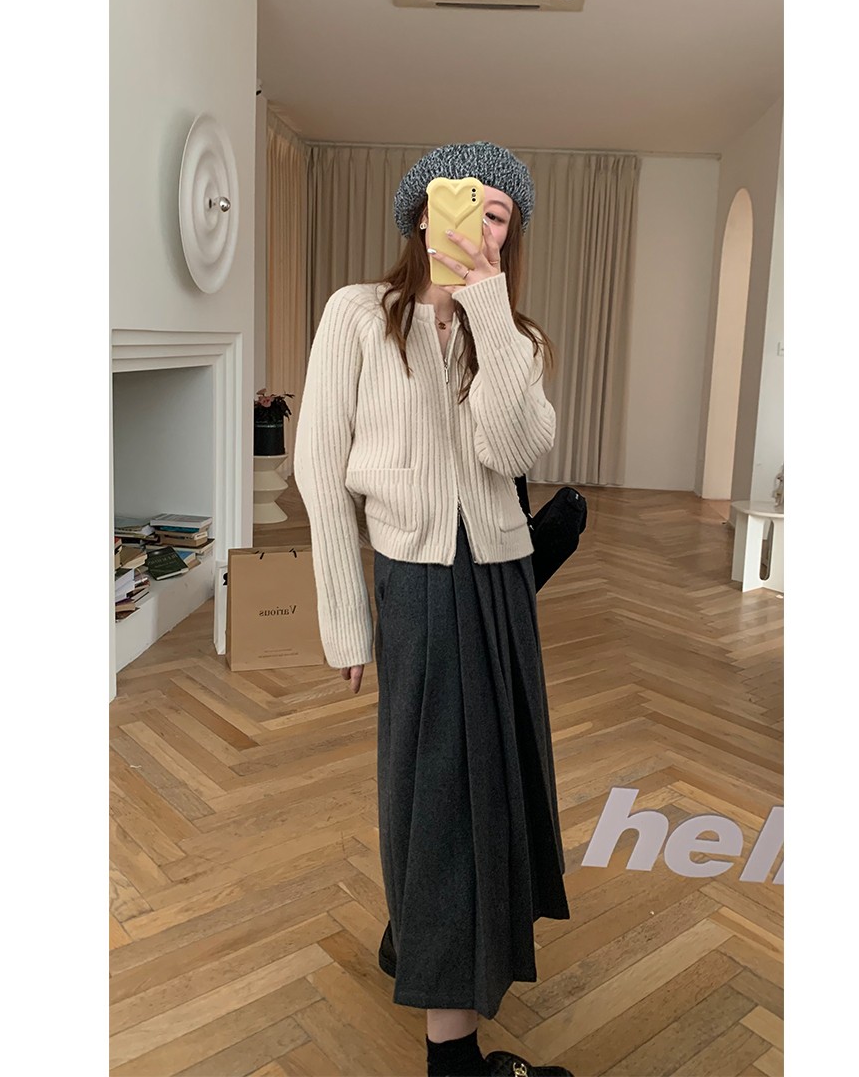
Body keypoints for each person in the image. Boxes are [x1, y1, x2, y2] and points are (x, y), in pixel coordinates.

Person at [294, 142, 574, 1077]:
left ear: (510, 236)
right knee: (441, 791)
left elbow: (513, 447)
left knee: (493, 780)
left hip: (499, 581)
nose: (479, 223)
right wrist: (344, 613)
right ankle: (452, 1059)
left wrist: (486, 312)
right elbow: (319, 467)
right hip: (416, 584)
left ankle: (415, 937)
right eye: (465, 204)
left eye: (500, 213)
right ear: (422, 212)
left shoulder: (517, 337)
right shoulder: (356, 316)